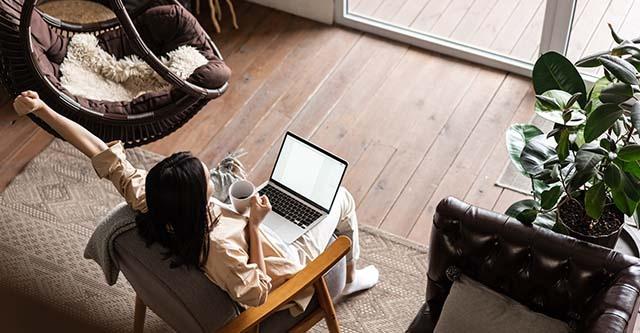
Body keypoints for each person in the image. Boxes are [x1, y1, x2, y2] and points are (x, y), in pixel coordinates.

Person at [13, 91, 379, 315]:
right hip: (286, 266)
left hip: (247, 231)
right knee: (342, 199)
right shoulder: (219, 251)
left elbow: (98, 150)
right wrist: (253, 225)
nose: (212, 187)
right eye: (208, 186)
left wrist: (41, 109)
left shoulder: (153, 203)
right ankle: (347, 277)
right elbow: (257, 293)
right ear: (196, 203)